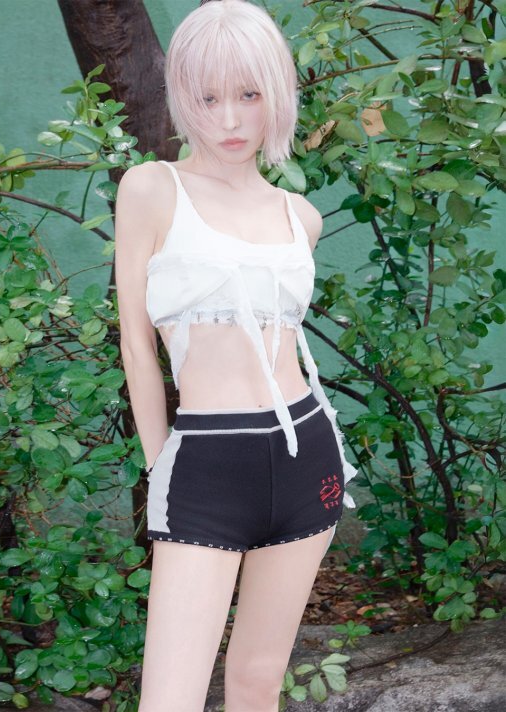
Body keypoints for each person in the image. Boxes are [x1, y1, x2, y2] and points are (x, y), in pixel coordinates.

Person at [114, 1, 358, 710]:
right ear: (181, 97)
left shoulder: (299, 217)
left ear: (276, 94)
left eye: (249, 95)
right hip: (205, 464)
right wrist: (160, 466)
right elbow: (136, 342)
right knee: (169, 701)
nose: (229, 120)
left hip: (307, 456)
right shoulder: (152, 189)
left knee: (257, 681)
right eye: (209, 97)